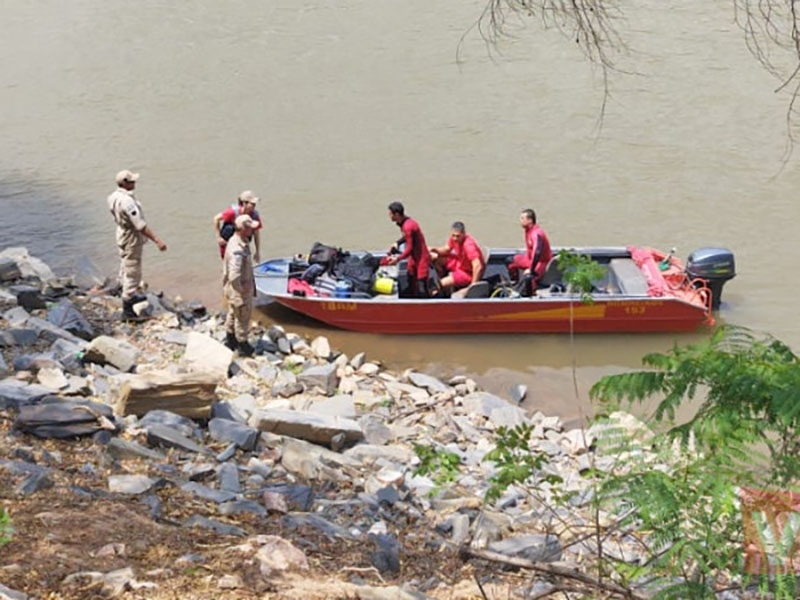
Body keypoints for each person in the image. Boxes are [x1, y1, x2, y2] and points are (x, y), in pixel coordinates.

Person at [106, 169, 167, 321]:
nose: (135, 183)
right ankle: (128, 309)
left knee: (125, 263)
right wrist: (157, 240)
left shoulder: (113, 197)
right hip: (131, 236)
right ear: (125, 183)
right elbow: (140, 225)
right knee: (133, 269)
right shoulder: (127, 201)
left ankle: (127, 293)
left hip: (121, 232)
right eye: (132, 181)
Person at [222, 214, 257, 356]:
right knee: (243, 317)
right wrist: (242, 289)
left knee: (232, 312)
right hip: (239, 291)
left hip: (231, 290)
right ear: (243, 229)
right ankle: (243, 345)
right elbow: (234, 274)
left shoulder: (235, 240)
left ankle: (230, 339)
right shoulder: (238, 249)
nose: (252, 231)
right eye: (250, 228)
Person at [384, 201, 431, 297]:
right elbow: (407, 237)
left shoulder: (408, 226)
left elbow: (409, 247)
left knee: (421, 285)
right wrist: (398, 243)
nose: (389, 216)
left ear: (396, 214)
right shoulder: (404, 222)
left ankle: (426, 307)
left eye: (390, 214)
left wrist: (397, 259)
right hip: (413, 257)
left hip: (421, 257)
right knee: (410, 278)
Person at [430, 221, 485, 295]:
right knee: (437, 259)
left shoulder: (469, 246)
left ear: (464, 234)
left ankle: (441, 289)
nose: (455, 238)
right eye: (453, 235)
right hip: (459, 262)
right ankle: (442, 278)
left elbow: (478, 266)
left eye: (458, 236)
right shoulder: (453, 239)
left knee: (442, 283)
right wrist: (433, 249)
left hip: (468, 272)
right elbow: (446, 249)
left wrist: (472, 286)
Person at [507, 208, 553, 294]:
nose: (520, 221)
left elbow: (537, 252)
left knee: (528, 277)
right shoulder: (528, 230)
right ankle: (515, 282)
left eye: (522, 218)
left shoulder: (536, 233)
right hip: (529, 258)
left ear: (530, 220)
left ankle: (529, 294)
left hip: (541, 262)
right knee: (510, 261)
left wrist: (531, 270)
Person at [213, 190, 262, 263]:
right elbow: (216, 219)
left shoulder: (254, 215)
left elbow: (256, 233)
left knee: (243, 263)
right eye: (252, 204)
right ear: (244, 203)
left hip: (243, 241)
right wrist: (218, 237)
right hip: (228, 240)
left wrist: (257, 251)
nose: (254, 206)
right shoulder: (232, 212)